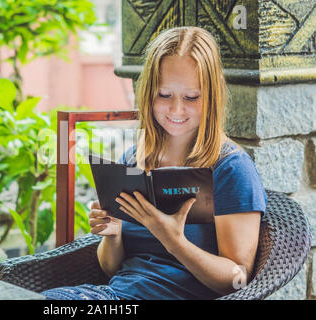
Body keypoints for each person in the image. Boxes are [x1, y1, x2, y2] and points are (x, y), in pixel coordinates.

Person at [41, 26, 268, 300]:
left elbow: (237, 281)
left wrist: (175, 241)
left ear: (212, 95)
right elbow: (111, 269)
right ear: (149, 92)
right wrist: (112, 234)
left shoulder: (230, 168)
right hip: (113, 296)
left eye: (191, 97)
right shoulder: (135, 159)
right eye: (164, 95)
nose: (176, 110)